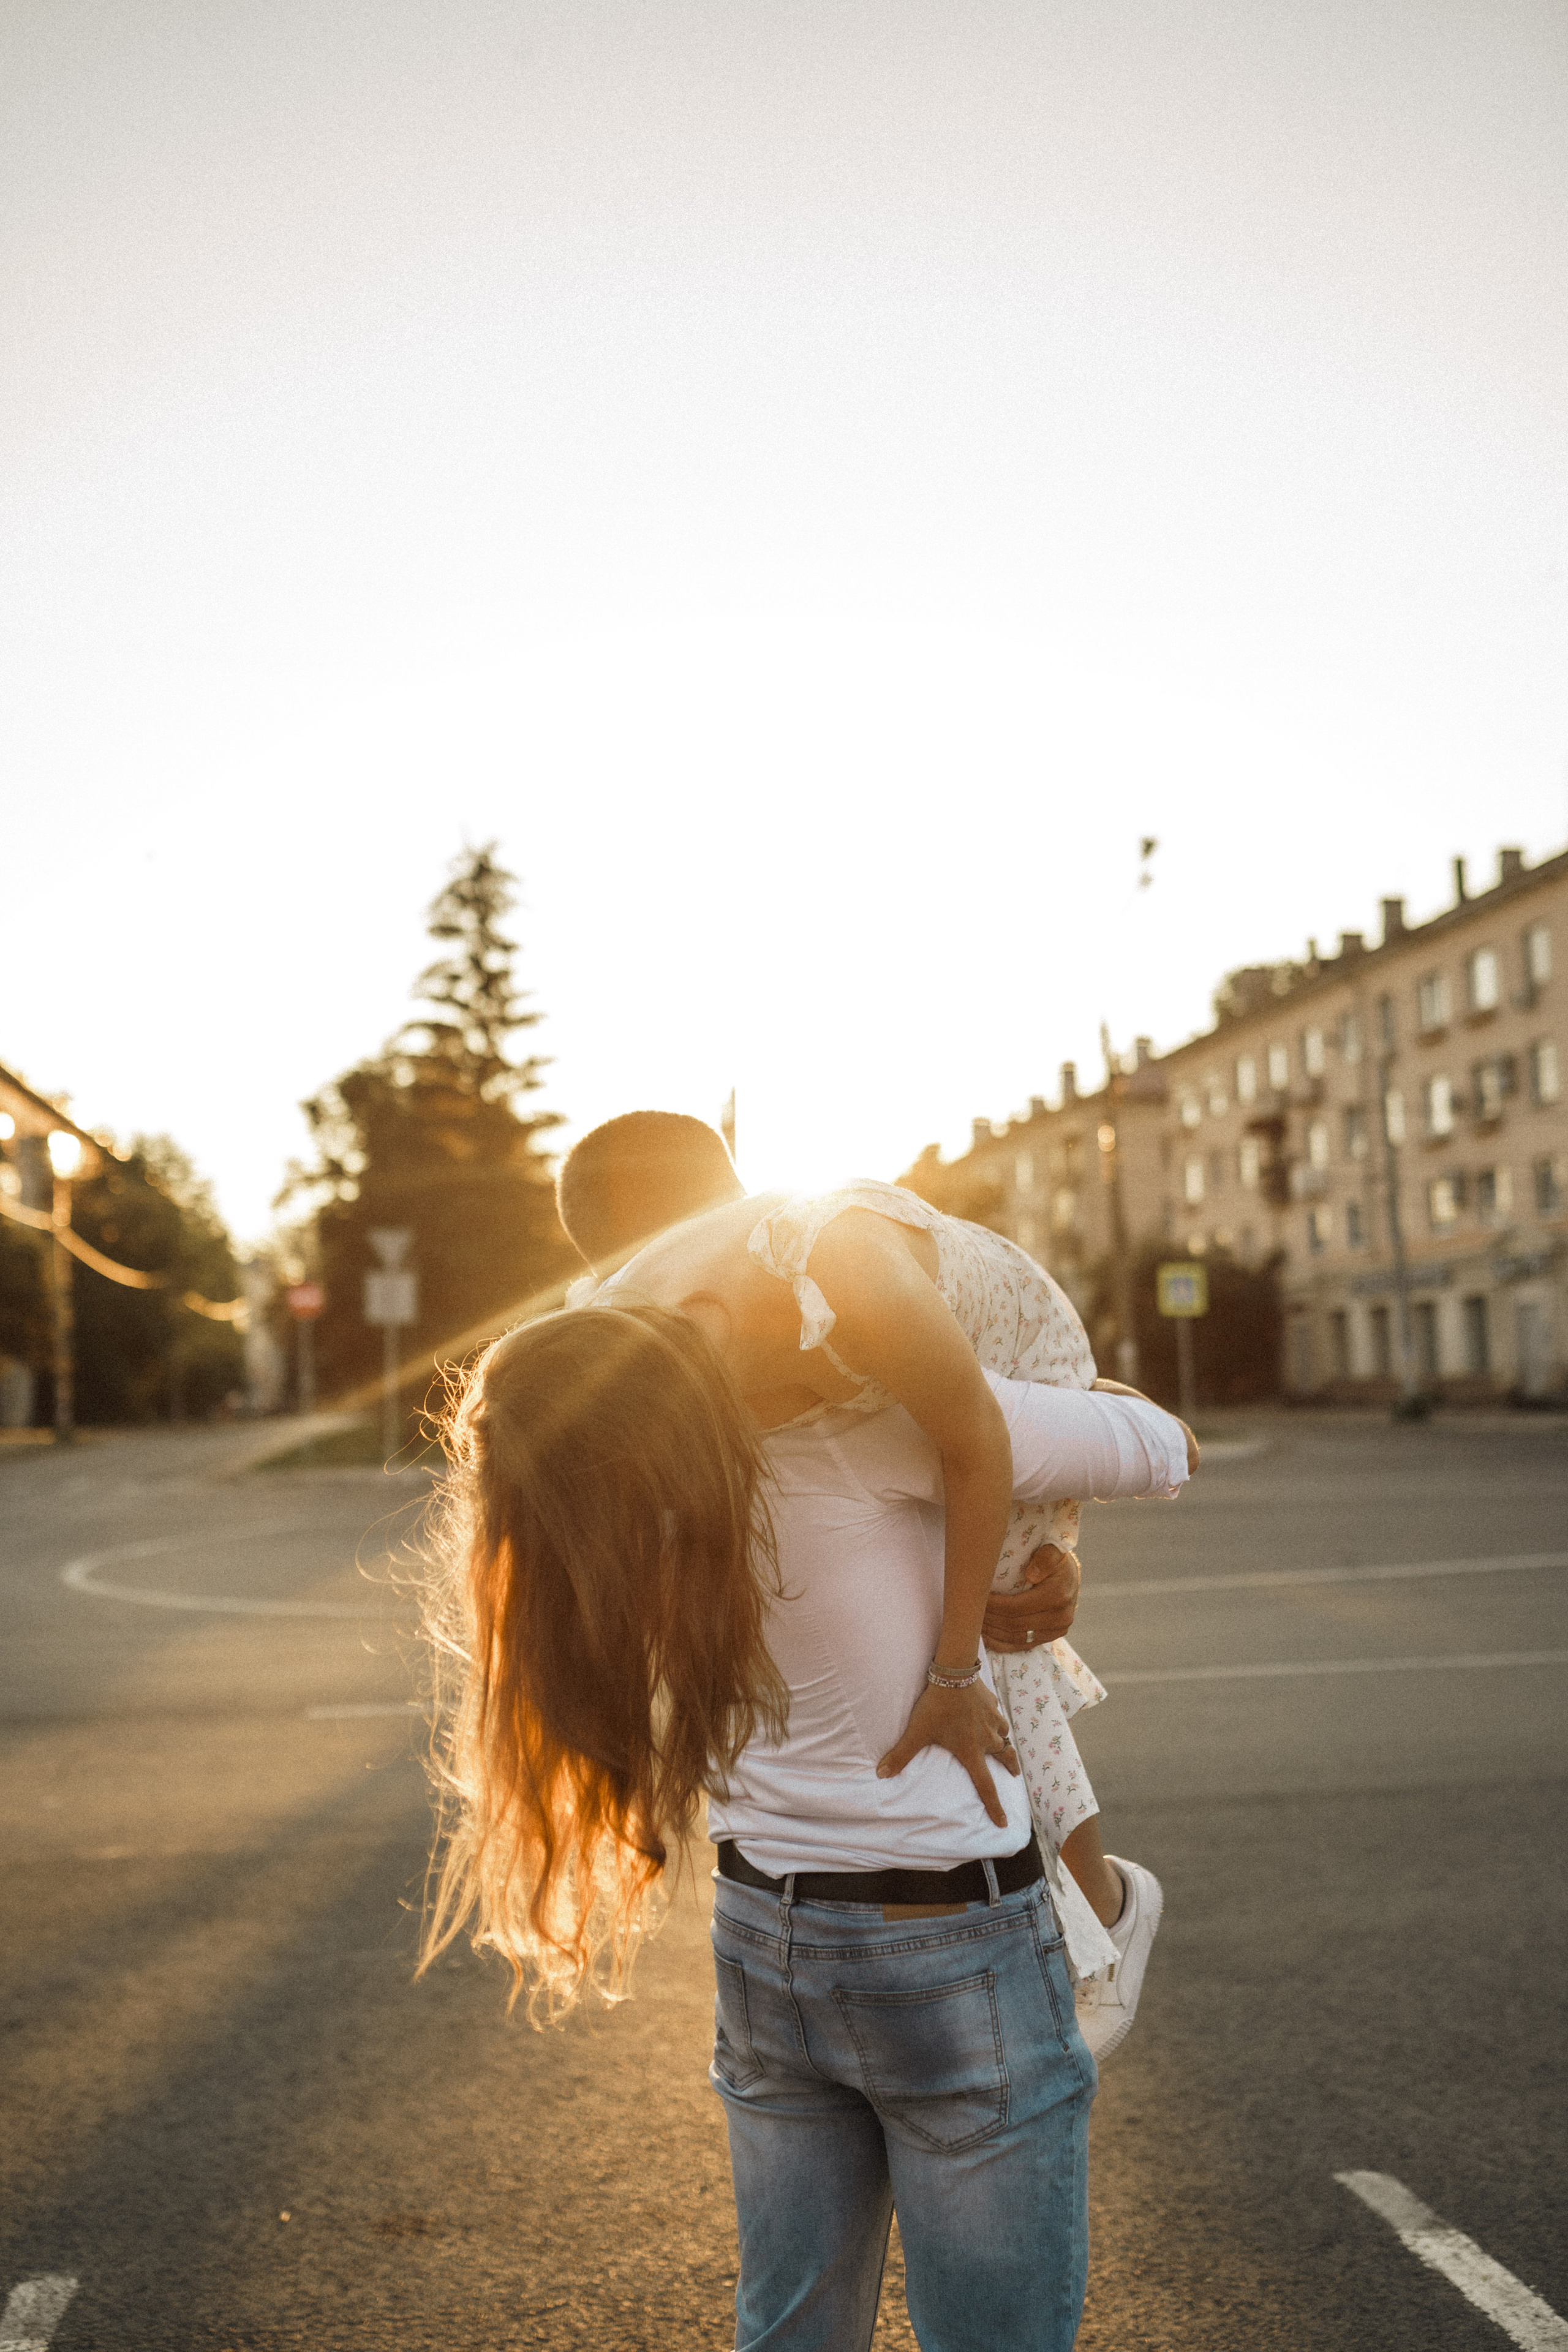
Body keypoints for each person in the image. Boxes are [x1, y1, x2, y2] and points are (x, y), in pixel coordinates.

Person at [418, 1277, 1193, 2351]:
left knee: (790, 2335)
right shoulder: (860, 1438)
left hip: (765, 1943)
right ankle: (1116, 1910)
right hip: (949, 1950)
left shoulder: (597, 1543)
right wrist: (1059, 1414)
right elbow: (1160, 1446)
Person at [556, 1112, 1180, 2053]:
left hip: (1017, 1349)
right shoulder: (643, 1305)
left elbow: (985, 1441)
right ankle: (1092, 1912)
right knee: (973, 1604)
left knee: (997, 1634)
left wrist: (956, 1671)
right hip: (935, 1386)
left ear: (718, 1219)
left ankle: (1109, 1910)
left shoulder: (834, 1259)